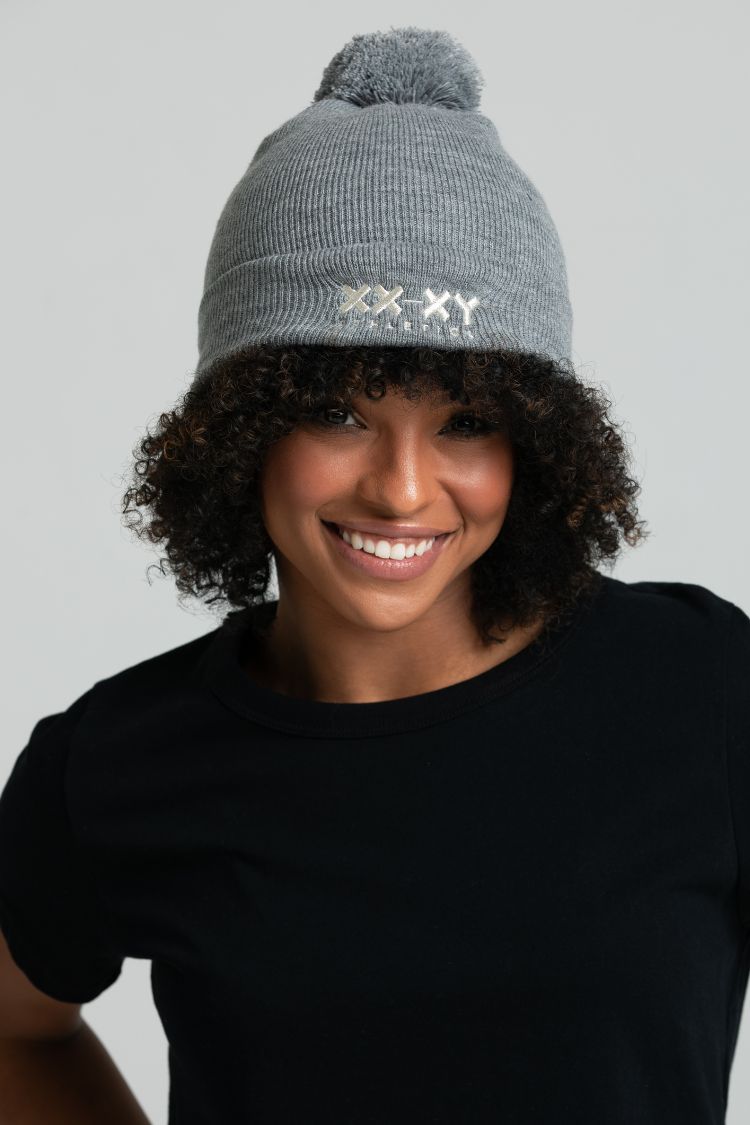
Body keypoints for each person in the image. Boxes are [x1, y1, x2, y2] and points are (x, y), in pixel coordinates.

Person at [0, 25, 748, 1125]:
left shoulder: (702, 692)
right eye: (337, 411)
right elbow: (17, 1025)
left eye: (466, 421)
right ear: (241, 428)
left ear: (540, 442)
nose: (401, 489)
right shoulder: (121, 761)